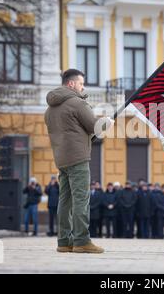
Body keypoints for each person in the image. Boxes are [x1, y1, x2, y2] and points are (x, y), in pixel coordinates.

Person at [44, 69, 114, 253]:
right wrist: (108, 122)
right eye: (81, 84)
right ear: (71, 84)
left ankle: (64, 242)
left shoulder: (50, 108)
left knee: (64, 200)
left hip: (61, 158)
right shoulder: (77, 103)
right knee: (81, 199)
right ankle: (82, 240)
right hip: (78, 157)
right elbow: (94, 127)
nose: (83, 87)